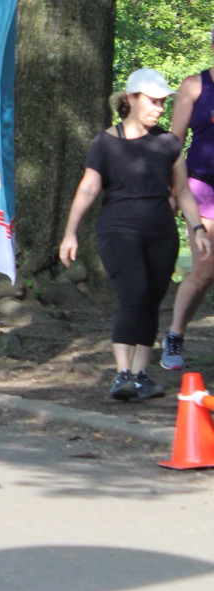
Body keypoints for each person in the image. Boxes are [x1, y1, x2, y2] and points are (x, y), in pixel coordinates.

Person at [59, 68, 211, 402]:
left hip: (161, 233)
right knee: (134, 296)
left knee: (151, 301)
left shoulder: (168, 143)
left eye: (163, 102)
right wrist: (70, 232)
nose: (160, 108)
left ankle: (141, 375)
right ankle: (122, 373)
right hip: (118, 231)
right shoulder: (105, 142)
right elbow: (88, 188)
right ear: (132, 99)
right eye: (153, 101)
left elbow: (182, 191)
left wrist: (198, 228)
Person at [163, 32, 214, 369]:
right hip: (201, 183)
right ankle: (175, 335)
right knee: (205, 270)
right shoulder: (195, 85)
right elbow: (174, 142)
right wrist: (171, 190)